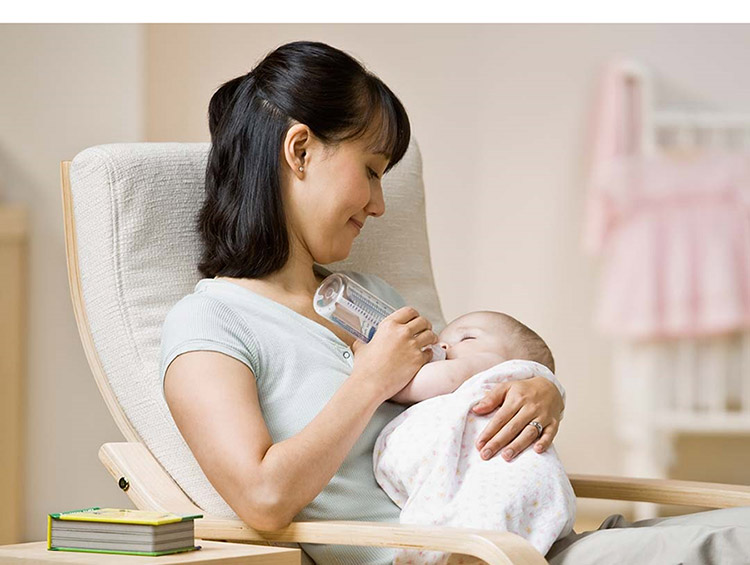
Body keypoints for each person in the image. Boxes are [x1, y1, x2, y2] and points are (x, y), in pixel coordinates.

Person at [160, 40, 750, 565]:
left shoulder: (374, 301)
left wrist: (539, 388)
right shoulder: (210, 322)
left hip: (531, 539)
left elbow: (471, 395)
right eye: (371, 170)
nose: (379, 205)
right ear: (300, 151)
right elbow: (263, 498)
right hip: (453, 555)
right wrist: (369, 380)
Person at [374, 311, 577, 564]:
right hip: (499, 487)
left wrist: (379, 373)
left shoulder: (495, 366)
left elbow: (433, 379)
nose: (444, 345)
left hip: (509, 477)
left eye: (467, 337)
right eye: (443, 339)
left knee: (486, 521)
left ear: (513, 360)